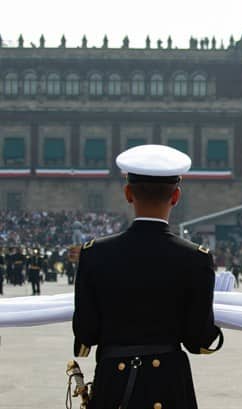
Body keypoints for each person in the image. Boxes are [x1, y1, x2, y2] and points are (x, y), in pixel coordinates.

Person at [72, 145, 223, 409]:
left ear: (128, 193)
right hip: (167, 383)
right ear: (176, 196)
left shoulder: (94, 254)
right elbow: (198, 340)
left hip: (113, 383)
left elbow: (86, 332)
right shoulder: (196, 258)